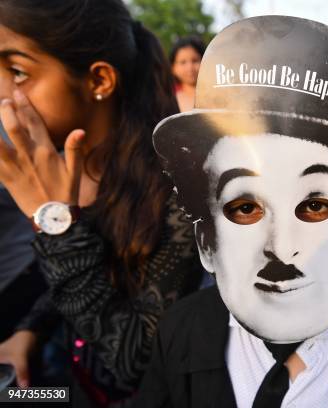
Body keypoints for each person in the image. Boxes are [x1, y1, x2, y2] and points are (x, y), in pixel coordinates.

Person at [137, 15, 328, 407]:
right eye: (245, 208)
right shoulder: (180, 334)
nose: (282, 249)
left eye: (314, 206)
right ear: (205, 240)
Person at [0, 0, 202, 405]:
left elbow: (134, 362)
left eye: (18, 71)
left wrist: (55, 224)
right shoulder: (72, 170)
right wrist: (30, 331)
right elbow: (78, 273)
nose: (4, 94)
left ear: (99, 81)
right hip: (63, 386)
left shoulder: (180, 190)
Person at [169, 36, 206, 112]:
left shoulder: (218, 94)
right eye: (183, 62)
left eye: (195, 61)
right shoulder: (169, 99)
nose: (190, 68)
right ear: (173, 68)